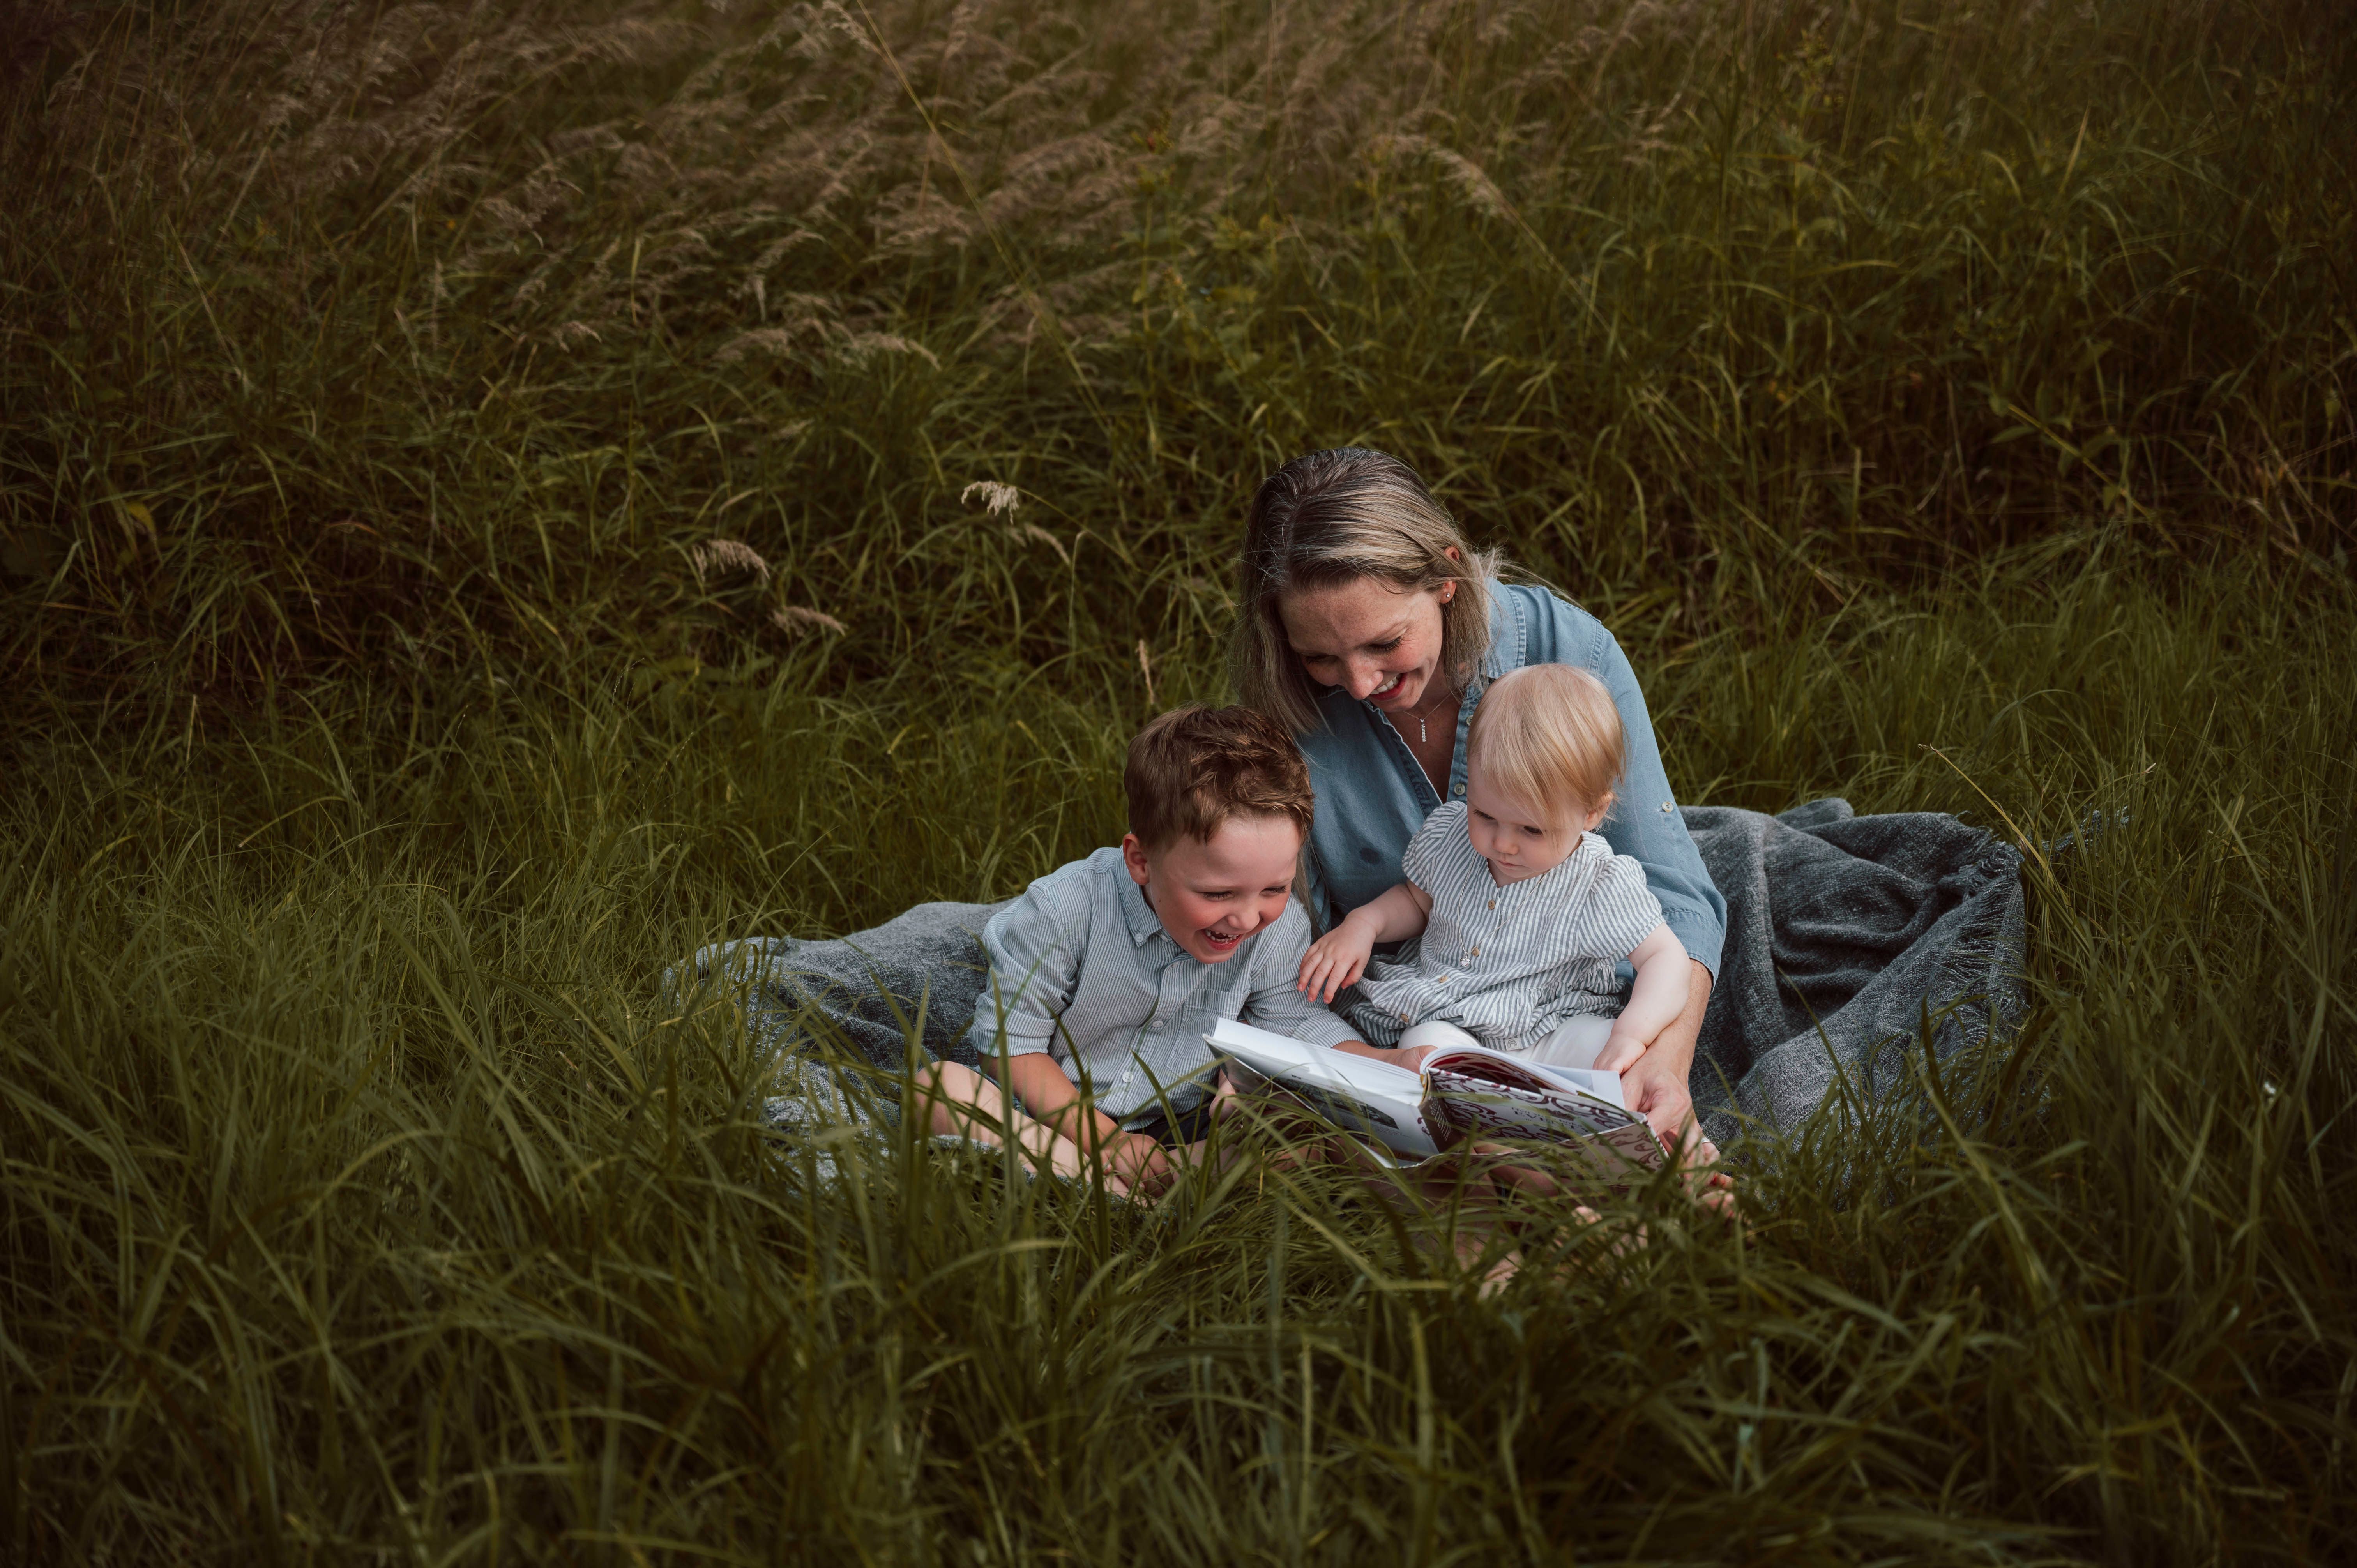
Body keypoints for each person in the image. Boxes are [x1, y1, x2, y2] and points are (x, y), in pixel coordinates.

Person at [1232, 448, 1727, 1153]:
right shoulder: (1291, 719)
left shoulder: (1566, 650)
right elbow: (1281, 947)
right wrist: (1370, 1058)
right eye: (1320, 657)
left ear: (1445, 574)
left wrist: (1658, 1062)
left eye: (1385, 642)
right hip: (1425, 1019)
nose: (1361, 682)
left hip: (1571, 1006)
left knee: (1620, 1112)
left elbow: (1677, 897)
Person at [964, 705, 1366, 1195]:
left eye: (1274, 889)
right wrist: (1106, 1143)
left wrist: (1379, 1063)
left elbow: (1292, 1021)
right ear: (1141, 861)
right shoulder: (1063, 910)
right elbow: (1010, 1045)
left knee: (1303, 1135)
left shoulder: (1276, 930)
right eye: (1217, 894)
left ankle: (1138, 1185)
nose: (1246, 918)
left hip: (1182, 1123)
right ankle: (1112, 1179)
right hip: (1057, 1115)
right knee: (940, 1091)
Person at [1297, 664, 1693, 1077]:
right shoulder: (1450, 837)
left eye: (1531, 829)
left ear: (1592, 812)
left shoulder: (1599, 882)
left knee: (1609, 1053)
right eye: (1485, 815)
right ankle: (1488, 1127)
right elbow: (1417, 901)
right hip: (1456, 1022)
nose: (1503, 844)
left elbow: (1666, 957)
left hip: (1554, 1029)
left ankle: (1577, 1118)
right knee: (1426, 1051)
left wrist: (1632, 1033)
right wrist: (1365, 924)